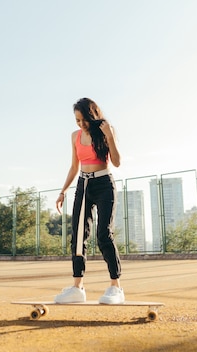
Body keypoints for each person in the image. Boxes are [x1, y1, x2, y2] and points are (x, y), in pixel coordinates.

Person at [54, 97, 124, 304]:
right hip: (83, 186)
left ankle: (116, 287)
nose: (81, 124)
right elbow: (74, 167)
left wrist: (109, 136)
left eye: (84, 120)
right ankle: (77, 288)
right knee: (77, 237)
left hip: (104, 184)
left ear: (93, 116)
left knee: (104, 235)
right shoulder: (75, 136)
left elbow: (117, 162)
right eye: (77, 120)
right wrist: (63, 191)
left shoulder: (105, 131)